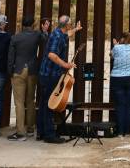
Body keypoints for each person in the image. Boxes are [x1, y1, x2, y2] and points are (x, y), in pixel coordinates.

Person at [37, 16, 82, 144]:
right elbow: (52, 55)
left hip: (47, 74)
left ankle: (41, 132)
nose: (71, 25)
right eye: (70, 23)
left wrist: (76, 29)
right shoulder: (57, 36)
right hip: (49, 75)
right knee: (50, 104)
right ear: (66, 25)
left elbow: (67, 34)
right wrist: (66, 65)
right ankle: (49, 135)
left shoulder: (59, 33)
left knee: (44, 103)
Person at [7, 16, 50, 141]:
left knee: (19, 102)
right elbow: (45, 41)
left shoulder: (15, 37)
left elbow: (10, 57)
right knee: (31, 100)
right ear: (33, 24)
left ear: (22, 25)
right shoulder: (36, 35)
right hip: (32, 69)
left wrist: (10, 72)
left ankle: (20, 132)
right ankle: (31, 129)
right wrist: (45, 31)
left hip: (18, 70)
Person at [110, 32, 130, 137]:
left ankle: (120, 132)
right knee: (129, 105)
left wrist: (115, 45)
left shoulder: (116, 47)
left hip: (117, 78)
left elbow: (111, 56)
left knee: (120, 105)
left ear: (122, 39)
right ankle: (127, 132)